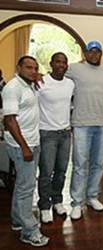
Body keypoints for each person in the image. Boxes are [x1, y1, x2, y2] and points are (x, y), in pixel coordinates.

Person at [2, 56, 49, 247]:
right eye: (28, 67)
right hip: (22, 144)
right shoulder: (13, 88)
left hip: (32, 141)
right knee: (27, 187)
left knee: (22, 184)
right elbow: (10, 120)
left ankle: (17, 220)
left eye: (35, 67)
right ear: (18, 67)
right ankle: (29, 232)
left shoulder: (28, 84)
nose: (33, 70)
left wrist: (37, 77)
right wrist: (24, 147)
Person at [66, 41, 103, 220]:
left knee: (98, 164)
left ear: (101, 54)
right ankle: (77, 203)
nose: (94, 55)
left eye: (98, 52)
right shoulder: (74, 69)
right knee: (80, 164)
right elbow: (56, 75)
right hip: (81, 124)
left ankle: (92, 197)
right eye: (91, 51)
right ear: (85, 53)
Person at [37, 52, 74, 223]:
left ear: (67, 65)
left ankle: (57, 201)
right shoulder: (41, 83)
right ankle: (44, 205)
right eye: (58, 62)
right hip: (47, 134)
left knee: (61, 171)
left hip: (65, 134)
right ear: (51, 63)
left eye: (64, 62)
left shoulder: (70, 84)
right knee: (46, 172)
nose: (61, 65)